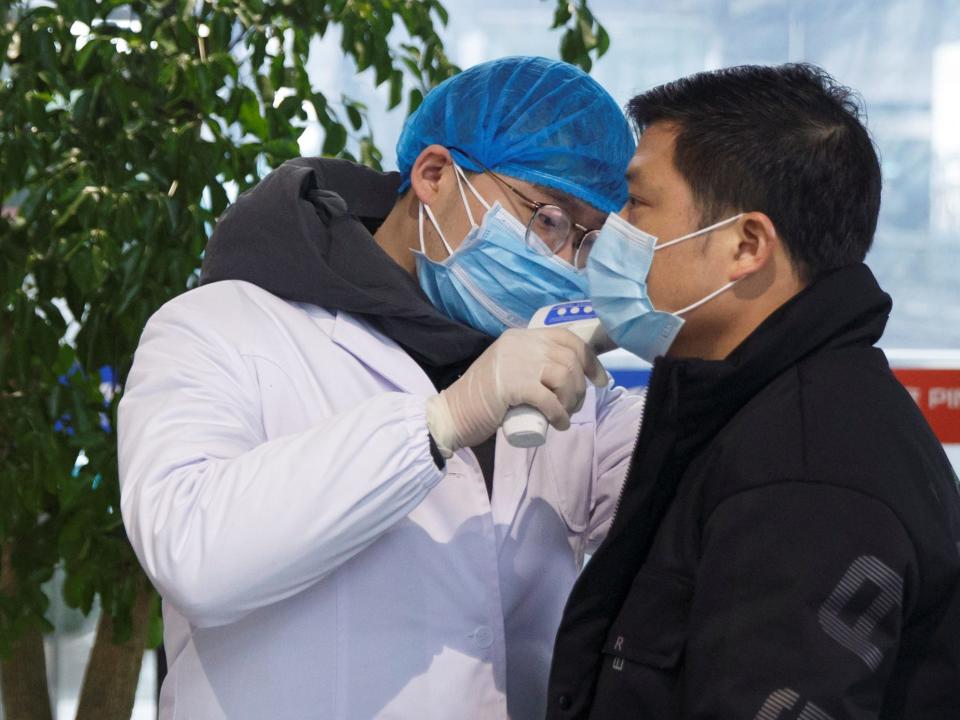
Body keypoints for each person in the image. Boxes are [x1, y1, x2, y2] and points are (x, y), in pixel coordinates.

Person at [118, 57, 644, 719]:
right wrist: (440, 423)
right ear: (433, 176)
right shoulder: (221, 327)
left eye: (589, 245)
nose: (566, 263)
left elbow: (718, 473)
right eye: (547, 220)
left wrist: (689, 314)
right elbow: (192, 554)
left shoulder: (561, 377)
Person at [546, 63, 960, 718]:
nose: (610, 231)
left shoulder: (806, 472)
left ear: (746, 245)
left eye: (637, 204)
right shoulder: (761, 414)